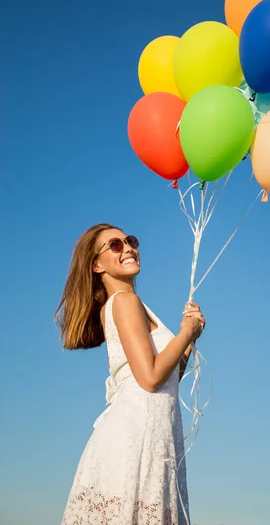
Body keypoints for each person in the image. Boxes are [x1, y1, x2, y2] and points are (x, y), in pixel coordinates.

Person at [55, 223, 206, 524]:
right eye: (115, 245)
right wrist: (185, 332)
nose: (128, 248)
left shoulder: (133, 305)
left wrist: (188, 339)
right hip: (136, 443)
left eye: (130, 241)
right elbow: (150, 379)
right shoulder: (124, 302)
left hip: (154, 439)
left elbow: (166, 378)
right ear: (97, 264)